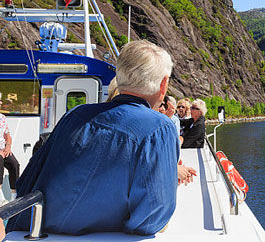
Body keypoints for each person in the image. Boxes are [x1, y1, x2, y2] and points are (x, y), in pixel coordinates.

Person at [8, 40, 195, 236]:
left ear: (119, 76)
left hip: (32, 232)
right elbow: (152, 218)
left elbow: (26, 182)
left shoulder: (75, 115)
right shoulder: (159, 128)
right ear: (163, 84)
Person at [0, 100, 19, 204]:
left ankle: (14, 195)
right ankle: (0, 196)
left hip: (3, 148)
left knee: (14, 164)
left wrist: (8, 147)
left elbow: (7, 135)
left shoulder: (2, 117)